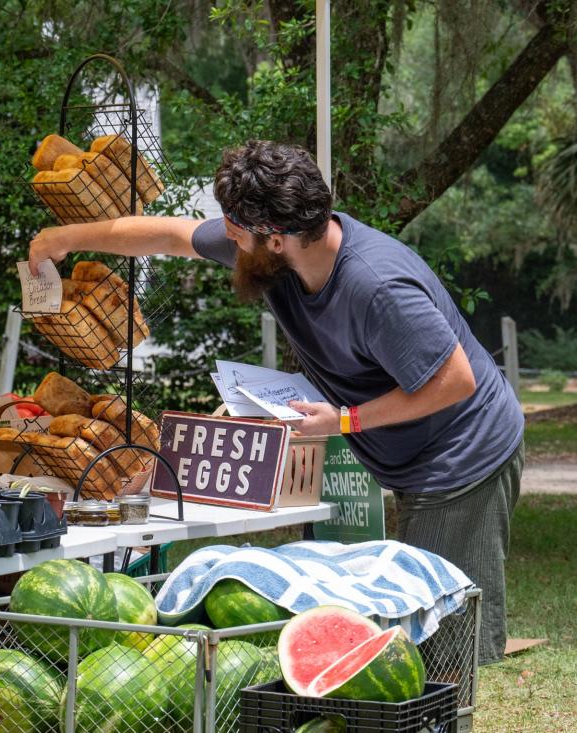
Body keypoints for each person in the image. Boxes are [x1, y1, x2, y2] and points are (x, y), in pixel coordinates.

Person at [28, 139, 523, 666]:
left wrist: (346, 420)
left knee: (441, 644)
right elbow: (168, 234)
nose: (228, 236)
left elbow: (455, 381)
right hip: (410, 454)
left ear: (277, 239)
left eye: (235, 229)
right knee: (410, 633)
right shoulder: (274, 248)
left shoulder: (376, 287)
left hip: (464, 458)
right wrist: (64, 237)